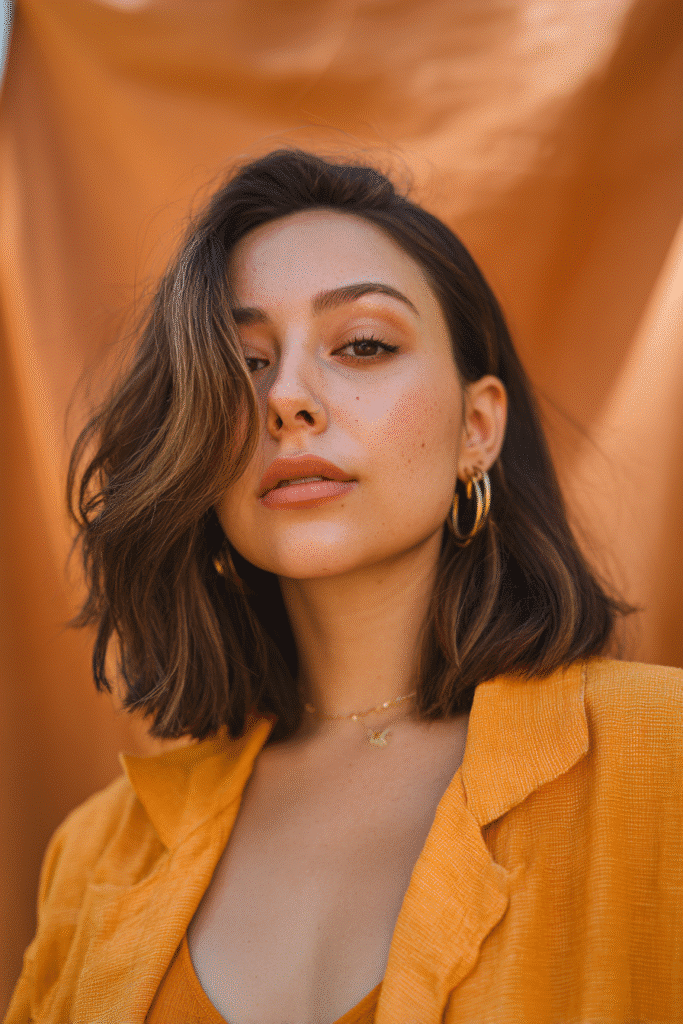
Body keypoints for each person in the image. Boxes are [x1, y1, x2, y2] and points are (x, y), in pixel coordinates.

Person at [5, 149, 682, 1024]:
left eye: (363, 344)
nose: (287, 397)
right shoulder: (96, 853)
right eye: (243, 362)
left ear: (476, 428)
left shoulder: (660, 759)